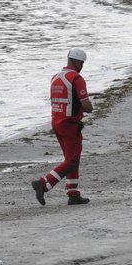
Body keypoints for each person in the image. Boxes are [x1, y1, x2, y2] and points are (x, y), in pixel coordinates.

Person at [34, 48, 94, 206]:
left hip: (56, 121)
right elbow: (86, 105)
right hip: (70, 124)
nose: (82, 66)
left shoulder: (55, 77)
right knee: (72, 160)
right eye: (82, 63)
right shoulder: (76, 78)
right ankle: (44, 183)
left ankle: (73, 193)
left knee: (70, 158)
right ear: (78, 62)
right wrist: (89, 107)